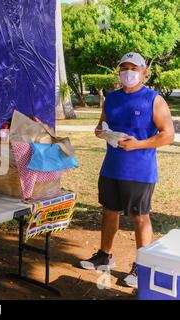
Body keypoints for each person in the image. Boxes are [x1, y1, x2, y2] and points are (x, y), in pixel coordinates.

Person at [79, 52, 175, 289]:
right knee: (109, 211)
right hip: (111, 167)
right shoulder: (111, 98)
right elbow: (100, 126)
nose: (128, 72)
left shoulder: (153, 99)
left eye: (134, 68)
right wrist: (101, 132)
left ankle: (141, 267)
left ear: (144, 72)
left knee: (140, 217)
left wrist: (138, 144)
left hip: (139, 171)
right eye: (124, 68)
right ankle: (104, 255)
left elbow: (168, 135)